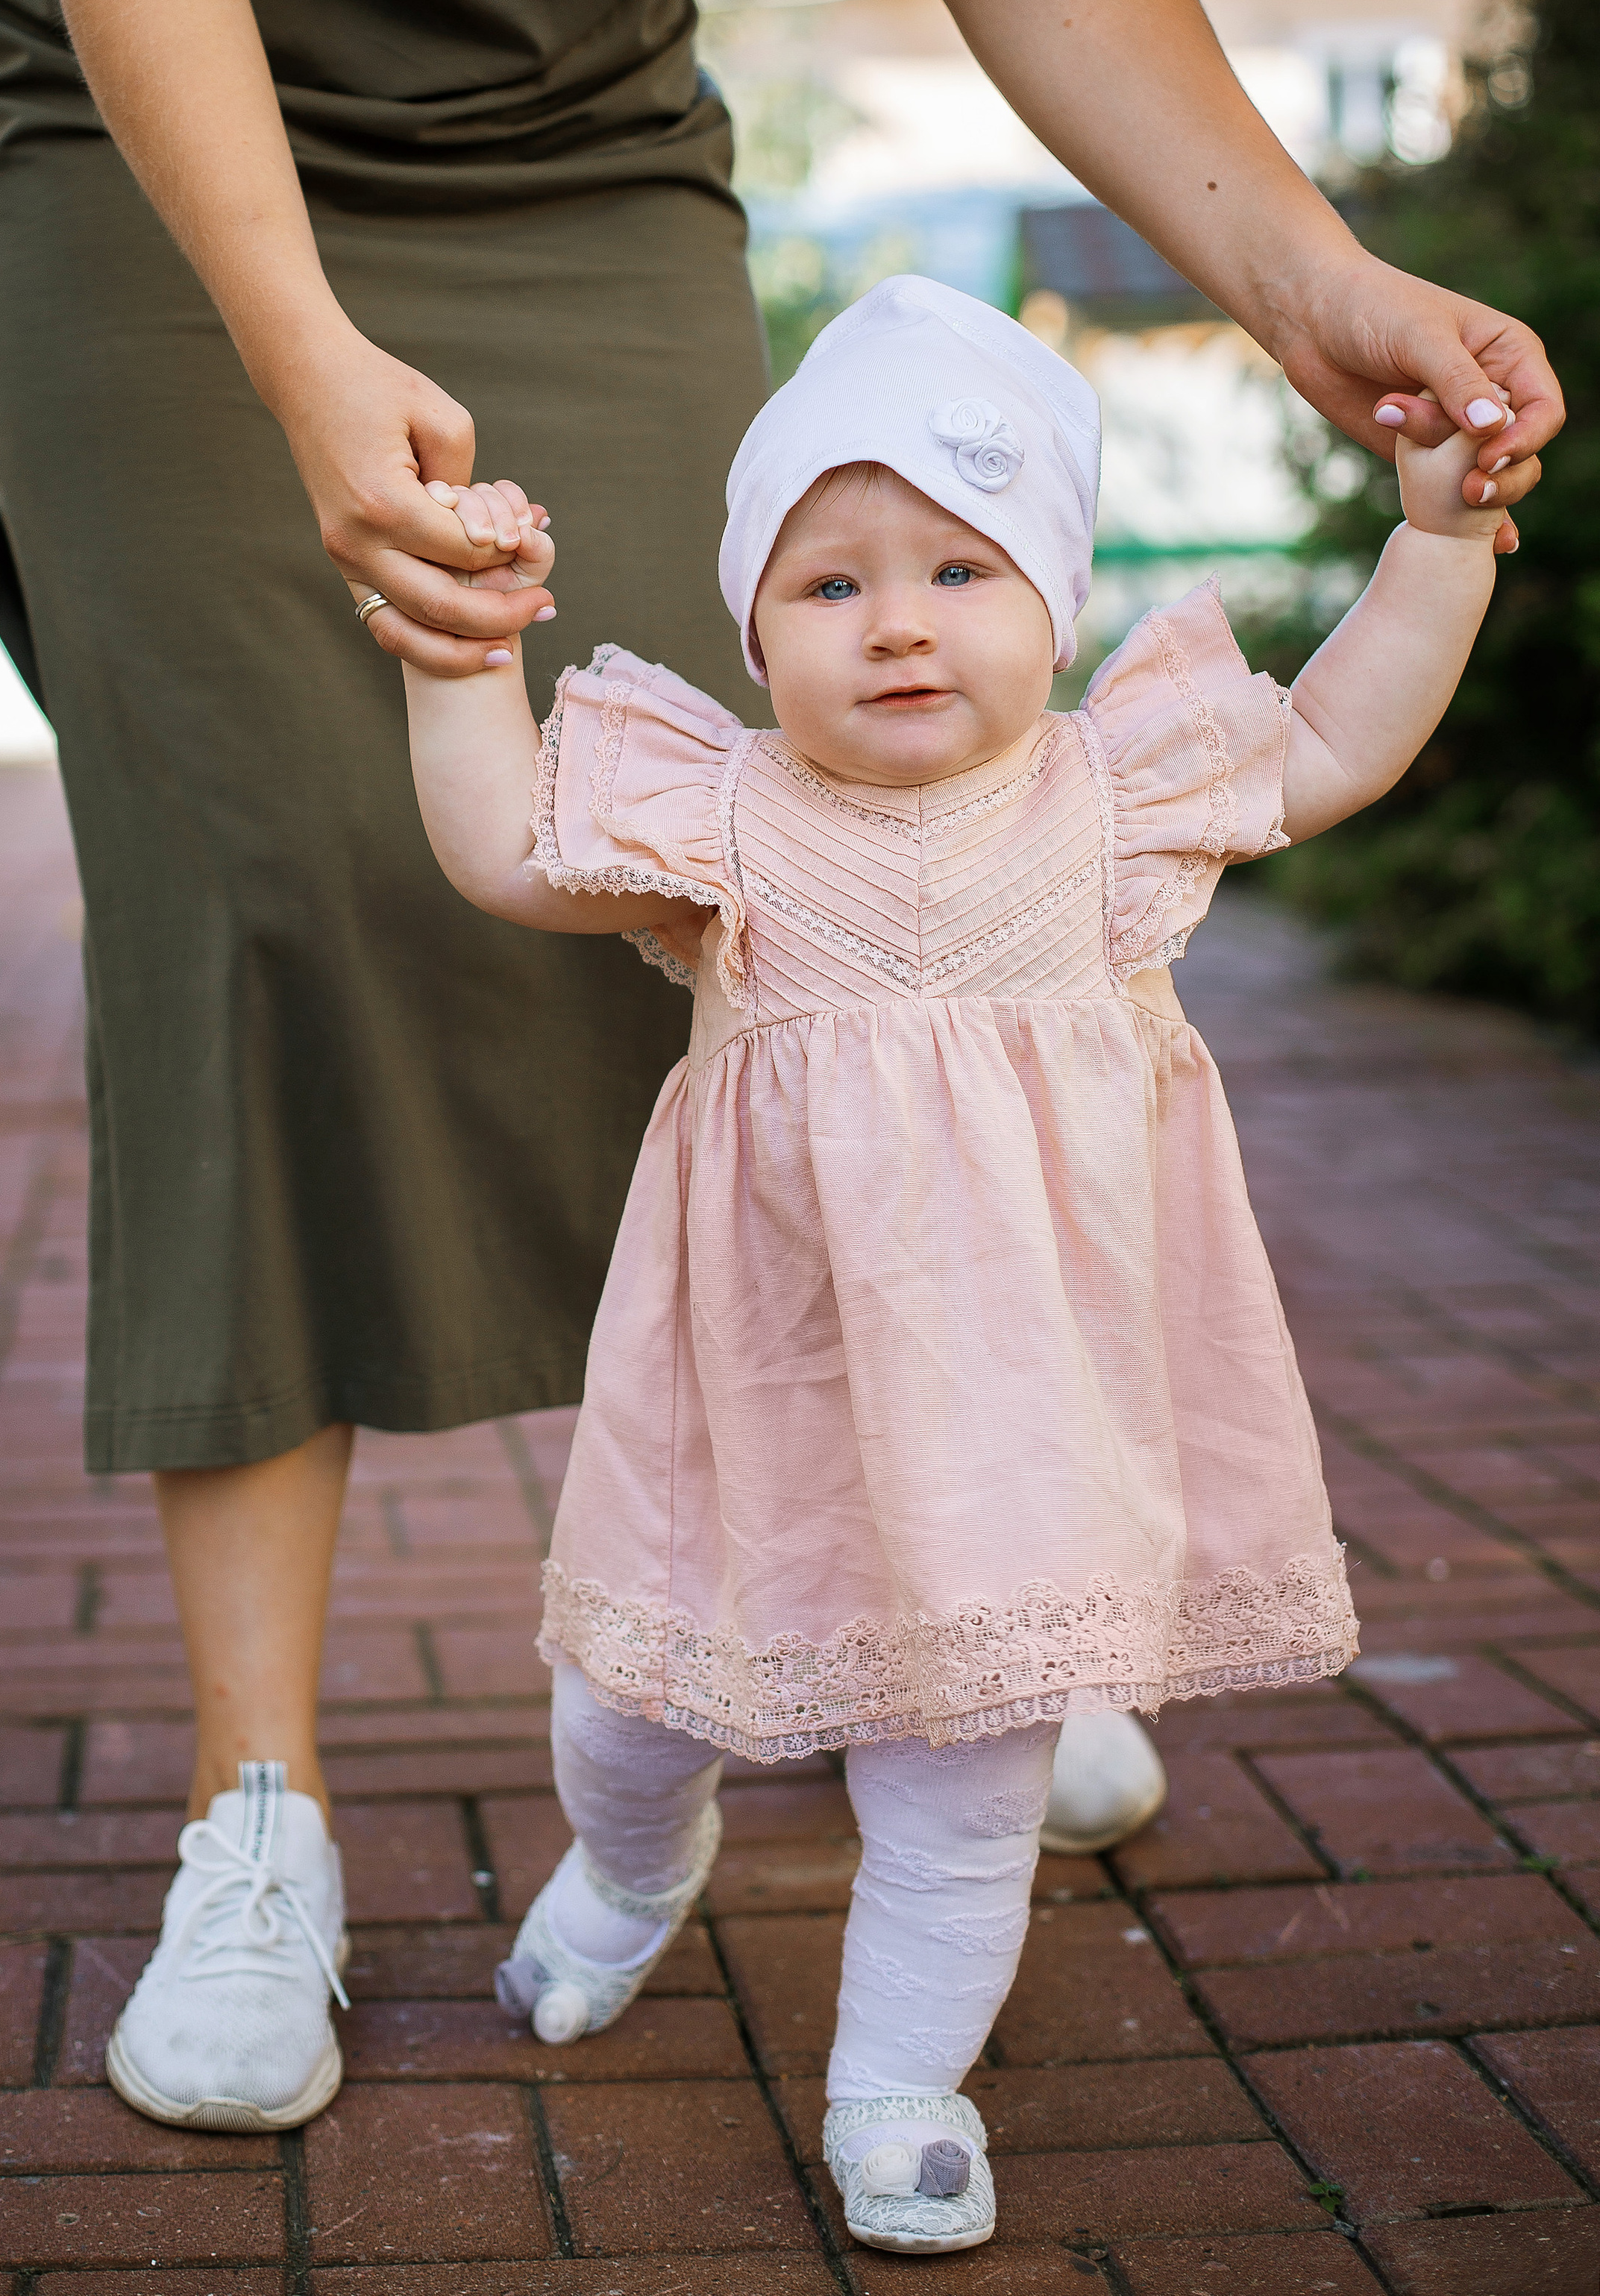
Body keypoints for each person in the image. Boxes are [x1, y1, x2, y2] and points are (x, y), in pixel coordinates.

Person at [0, 0, 1558, 2130]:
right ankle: (261, 1809)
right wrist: (308, 363)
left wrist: (1312, 284)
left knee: (747, 896)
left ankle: (928, 1631)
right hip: (148, 150)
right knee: (281, 893)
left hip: (577, 165)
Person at [398, 273, 1516, 2253]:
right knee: (638, 1698)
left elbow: (1337, 736)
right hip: (759, 1395)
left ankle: (900, 2081)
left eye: (960, 568)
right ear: (755, 630)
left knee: (962, 1767)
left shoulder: (1115, 799)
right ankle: (630, 1869)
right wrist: (458, 658)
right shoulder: (723, 815)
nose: (897, 617)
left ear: (1059, 603)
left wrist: (1439, 543)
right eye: (827, 586)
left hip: (1020, 1412)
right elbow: (499, 852)